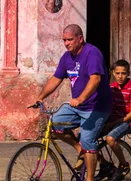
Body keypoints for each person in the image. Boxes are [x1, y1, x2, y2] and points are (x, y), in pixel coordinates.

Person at [36, 24, 112, 181]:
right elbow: (56, 79)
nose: (66, 43)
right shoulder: (66, 57)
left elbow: (95, 79)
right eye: (64, 40)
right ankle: (80, 150)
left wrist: (81, 98)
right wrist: (40, 97)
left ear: (80, 38)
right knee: (55, 125)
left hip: (96, 107)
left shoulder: (92, 53)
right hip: (77, 107)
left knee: (87, 141)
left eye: (69, 39)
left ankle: (89, 178)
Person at [98, 59, 131, 181]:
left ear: (128, 73)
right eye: (117, 73)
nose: (120, 76)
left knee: (110, 139)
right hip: (111, 120)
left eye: (123, 73)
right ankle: (104, 165)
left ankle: (124, 164)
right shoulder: (111, 88)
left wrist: (112, 123)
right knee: (87, 140)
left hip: (126, 122)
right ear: (113, 73)